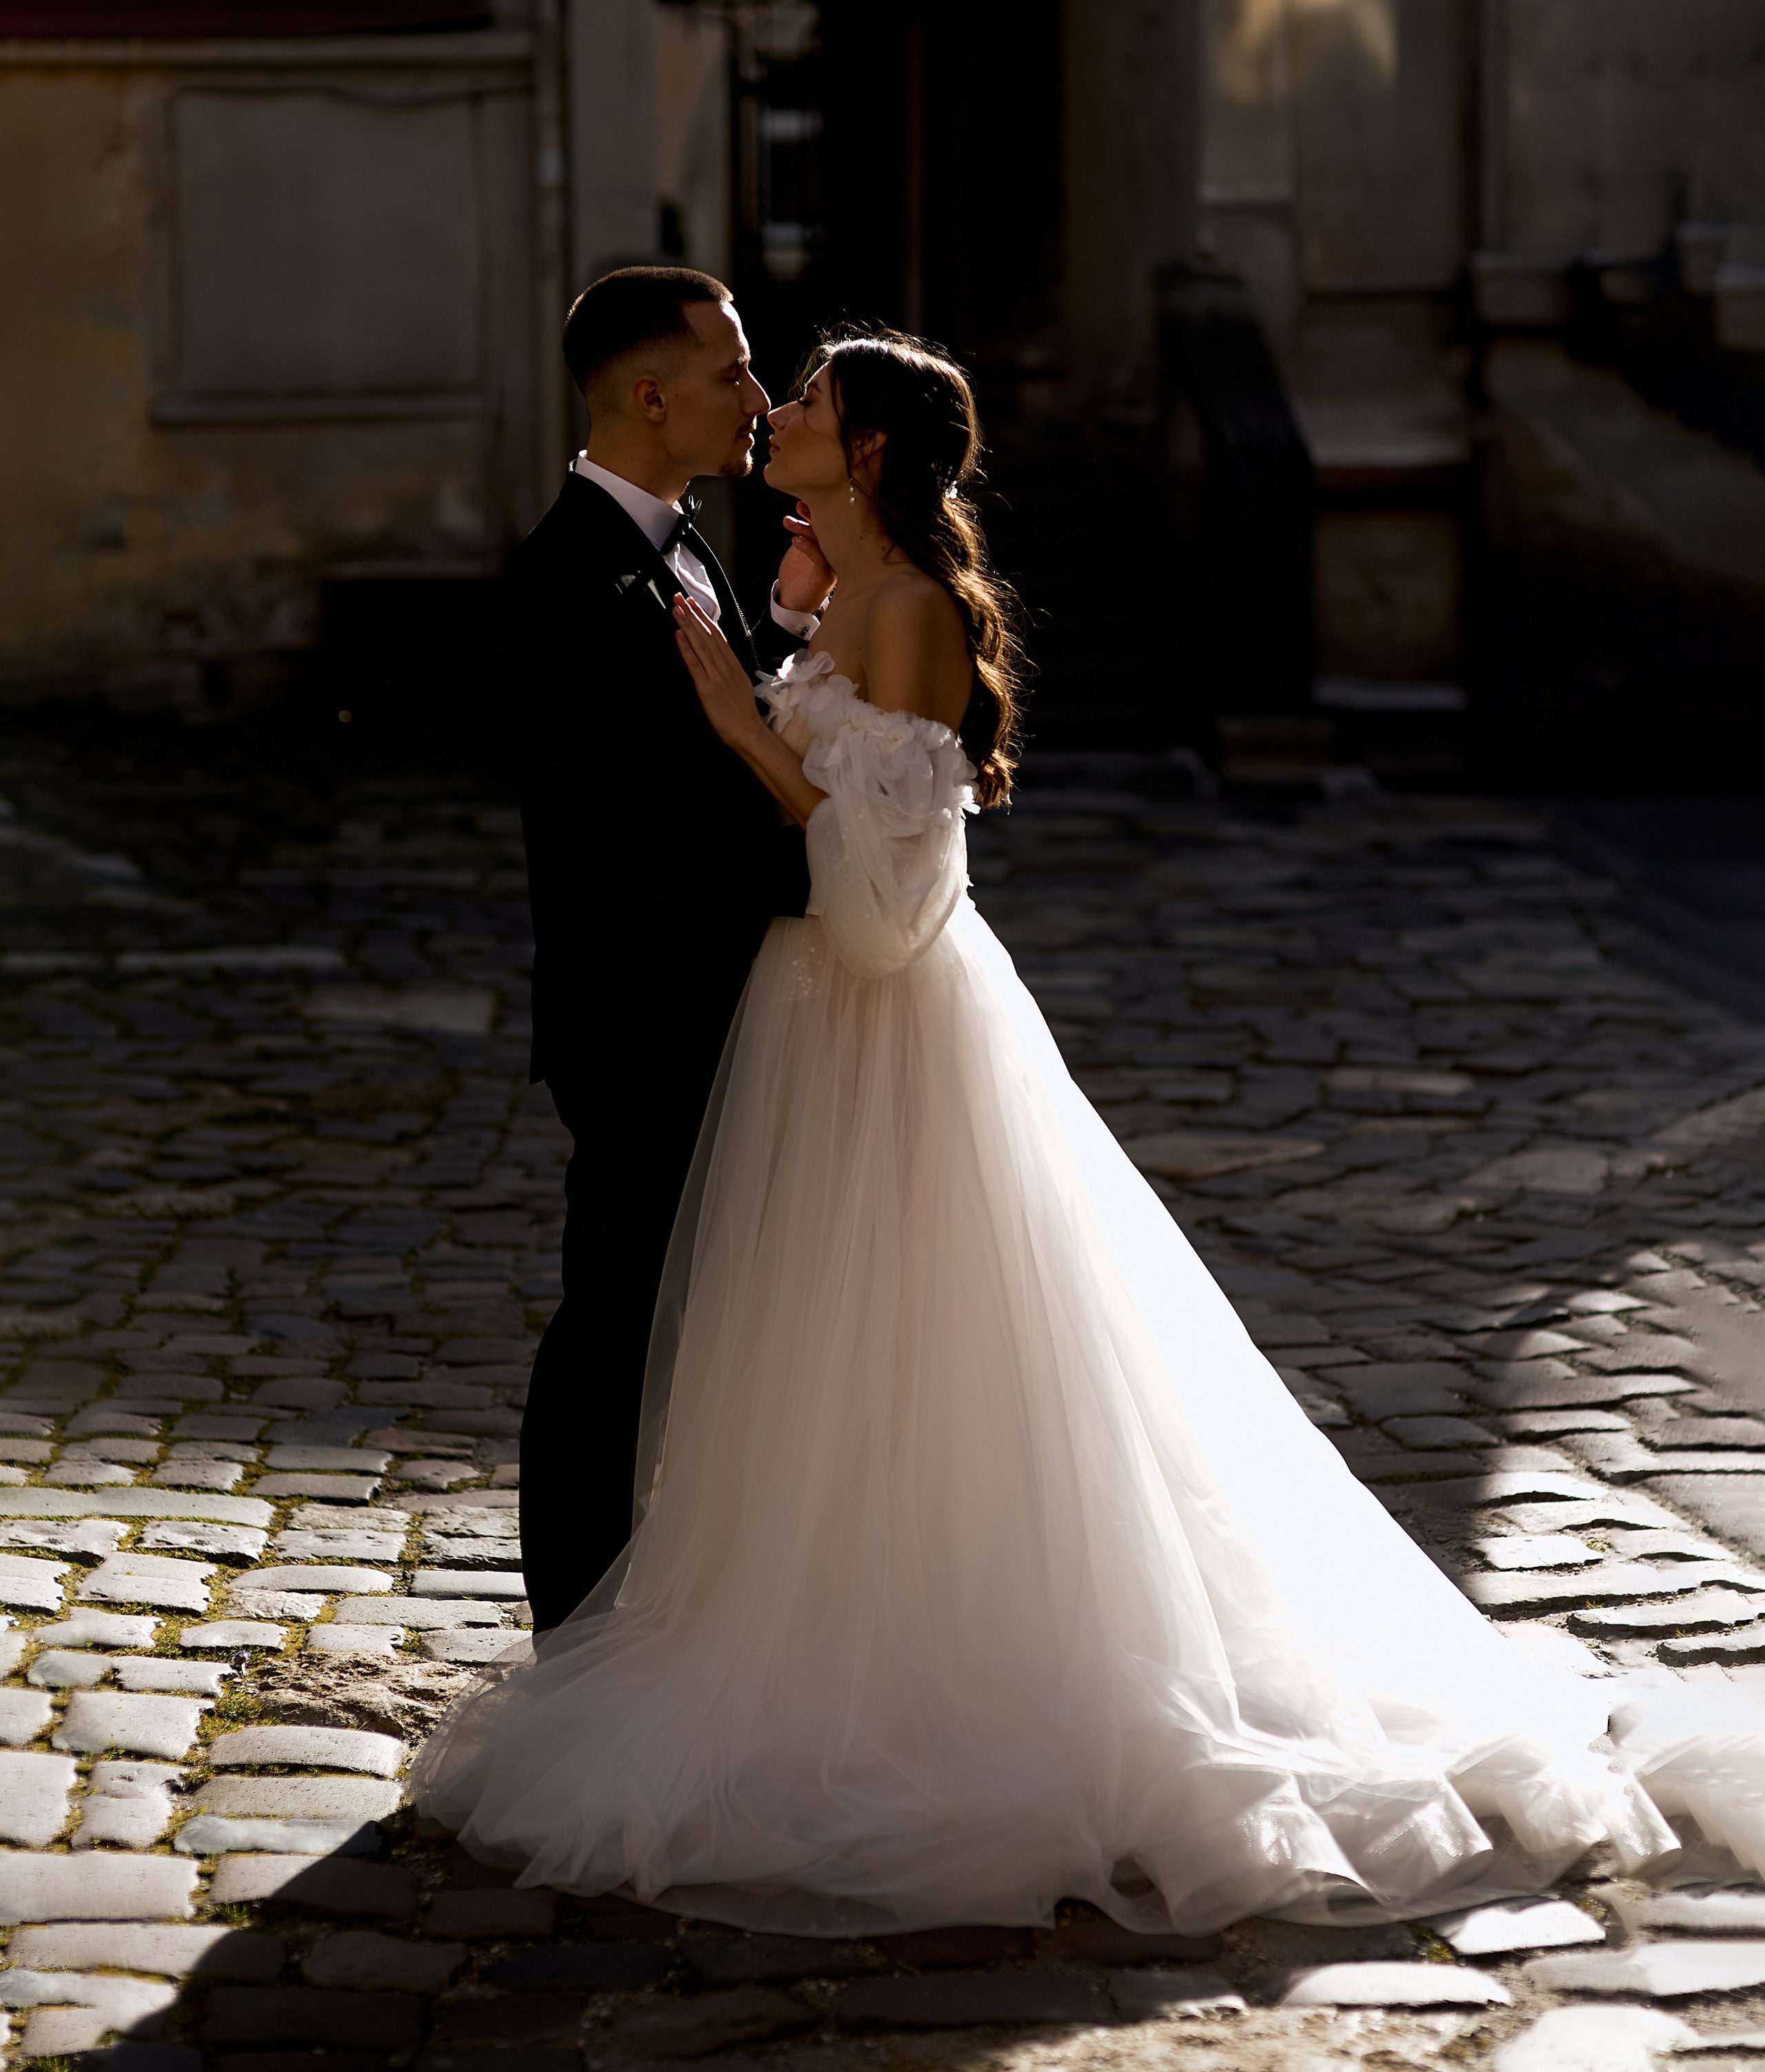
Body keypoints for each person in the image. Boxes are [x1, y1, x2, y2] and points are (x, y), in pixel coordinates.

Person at [420, 330, 1765, 1938]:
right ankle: (849, 1626)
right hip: (791, 1032)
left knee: (934, 1349)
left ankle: (973, 1677)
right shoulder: (817, 587)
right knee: (815, 1361)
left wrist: (749, 740)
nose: (770, 406)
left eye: (808, 402)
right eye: (752, 383)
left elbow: (891, 911)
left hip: (882, 1029)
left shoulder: (906, 611)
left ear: (862, 453)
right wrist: (784, 656)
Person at [506, 267, 830, 1634]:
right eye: (729, 374)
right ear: (648, 395)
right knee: (613, 1326)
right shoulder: (568, 576)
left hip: (720, 1001)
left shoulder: (688, 547)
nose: (754, 399)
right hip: (642, 1014)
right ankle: (572, 1627)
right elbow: (624, 833)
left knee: (694, 1325)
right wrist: (836, 864)